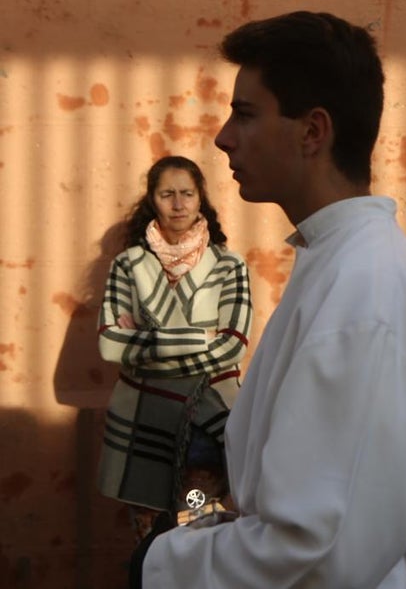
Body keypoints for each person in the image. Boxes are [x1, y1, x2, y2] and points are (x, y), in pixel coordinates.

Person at [133, 11, 406, 588]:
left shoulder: (362, 284)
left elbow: (315, 548)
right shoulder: (341, 262)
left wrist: (162, 561)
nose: (223, 136)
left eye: (246, 113)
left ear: (312, 132)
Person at [97, 155, 252, 537]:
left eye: (187, 193)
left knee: (197, 527)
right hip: (143, 430)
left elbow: (233, 347)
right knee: (149, 537)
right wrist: (200, 339)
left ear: (201, 200)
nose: (178, 204)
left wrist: (146, 350)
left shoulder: (229, 266)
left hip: (207, 428)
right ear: (153, 200)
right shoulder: (127, 266)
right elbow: (109, 346)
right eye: (167, 194)